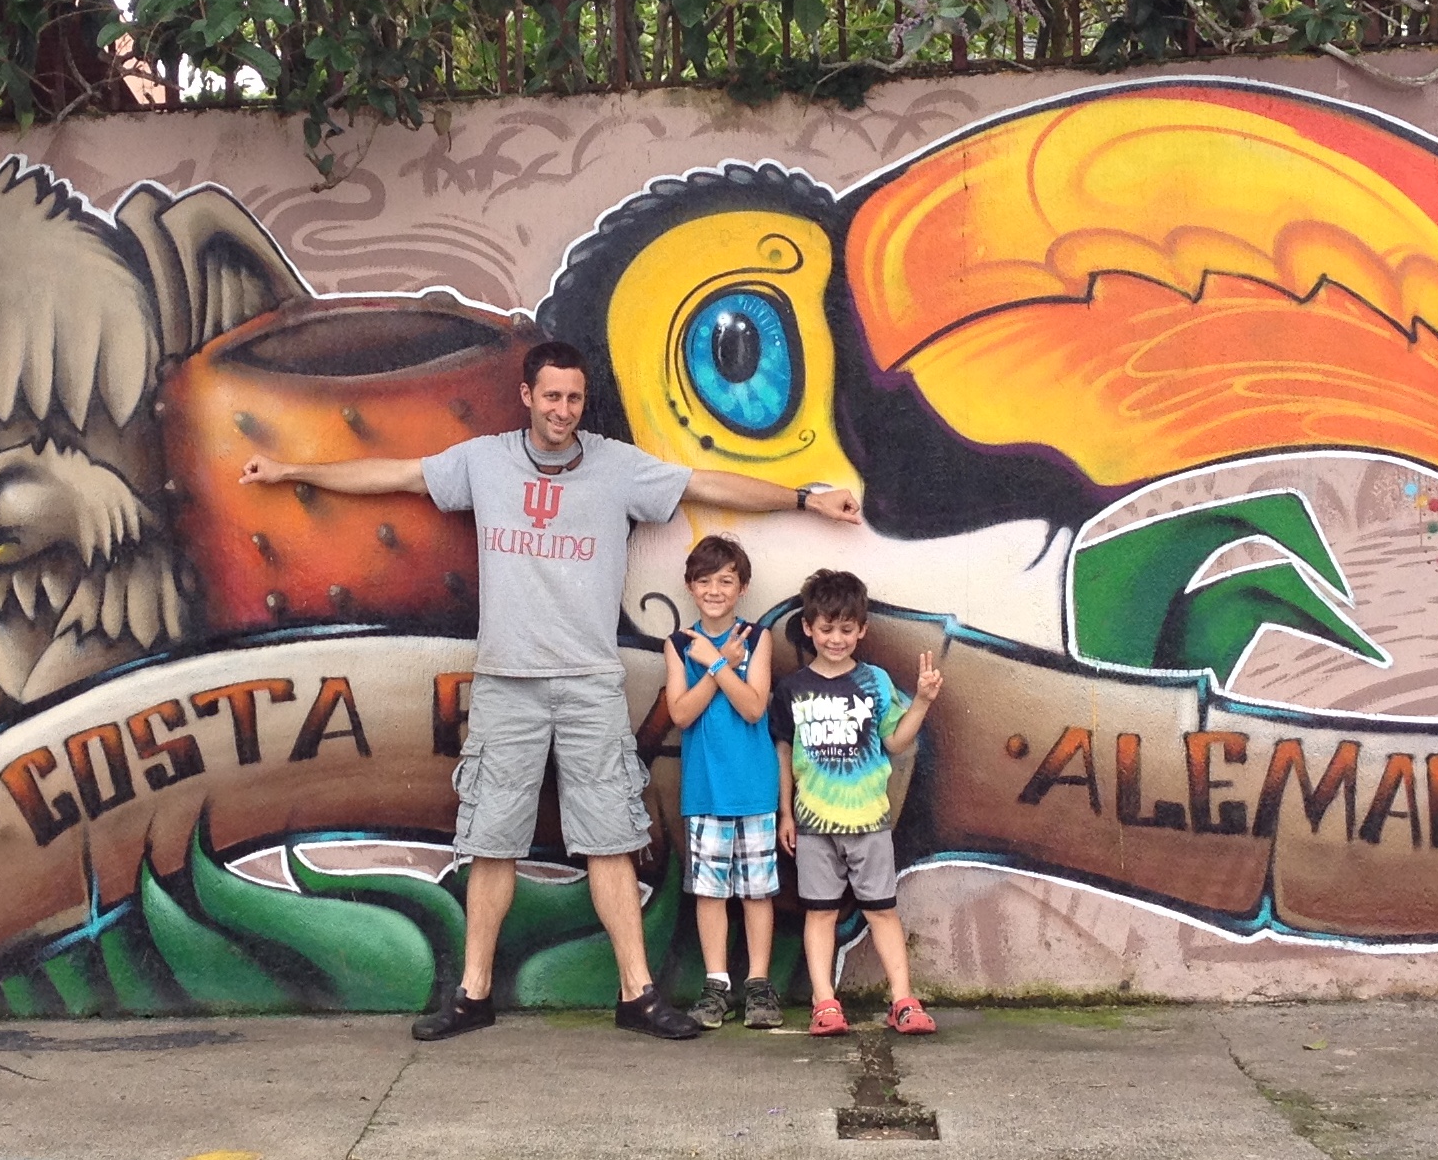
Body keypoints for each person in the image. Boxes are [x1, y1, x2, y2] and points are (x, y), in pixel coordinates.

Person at [239, 340, 860, 1040]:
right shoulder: (484, 460)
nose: (564, 409)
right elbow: (401, 475)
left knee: (610, 841)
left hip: (591, 682)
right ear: (527, 395)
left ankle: (638, 993)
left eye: (574, 397)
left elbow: (707, 485)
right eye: (552, 395)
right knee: (492, 840)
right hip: (508, 681)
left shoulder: (616, 467)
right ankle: (472, 994)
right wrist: (294, 469)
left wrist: (807, 497)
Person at [771, 568, 943, 1037]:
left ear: (862, 629)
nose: (836, 639)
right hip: (812, 825)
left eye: (847, 629)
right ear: (808, 628)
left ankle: (903, 1000)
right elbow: (785, 754)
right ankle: (824, 1002)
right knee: (820, 912)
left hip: (869, 821)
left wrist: (923, 702)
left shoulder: (875, 681)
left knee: (882, 910)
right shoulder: (791, 690)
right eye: (826, 628)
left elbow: (896, 743)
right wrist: (786, 813)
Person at [662, 535, 782, 1030]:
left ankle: (757, 984)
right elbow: (681, 713)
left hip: (753, 787)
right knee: (711, 893)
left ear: (742, 587)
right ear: (691, 587)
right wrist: (716, 663)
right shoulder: (677, 645)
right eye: (705, 580)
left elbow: (754, 706)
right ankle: (718, 985)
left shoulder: (759, 638)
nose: (715, 590)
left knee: (757, 892)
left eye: (726, 580)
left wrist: (715, 662)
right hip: (705, 789)